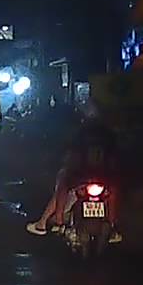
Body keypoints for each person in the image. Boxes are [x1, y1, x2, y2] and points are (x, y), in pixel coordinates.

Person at [26, 102, 123, 242]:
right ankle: (113, 226)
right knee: (114, 191)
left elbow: (72, 154)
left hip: (82, 176)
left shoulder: (82, 133)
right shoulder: (107, 134)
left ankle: (57, 222)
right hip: (103, 177)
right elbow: (114, 157)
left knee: (63, 184)